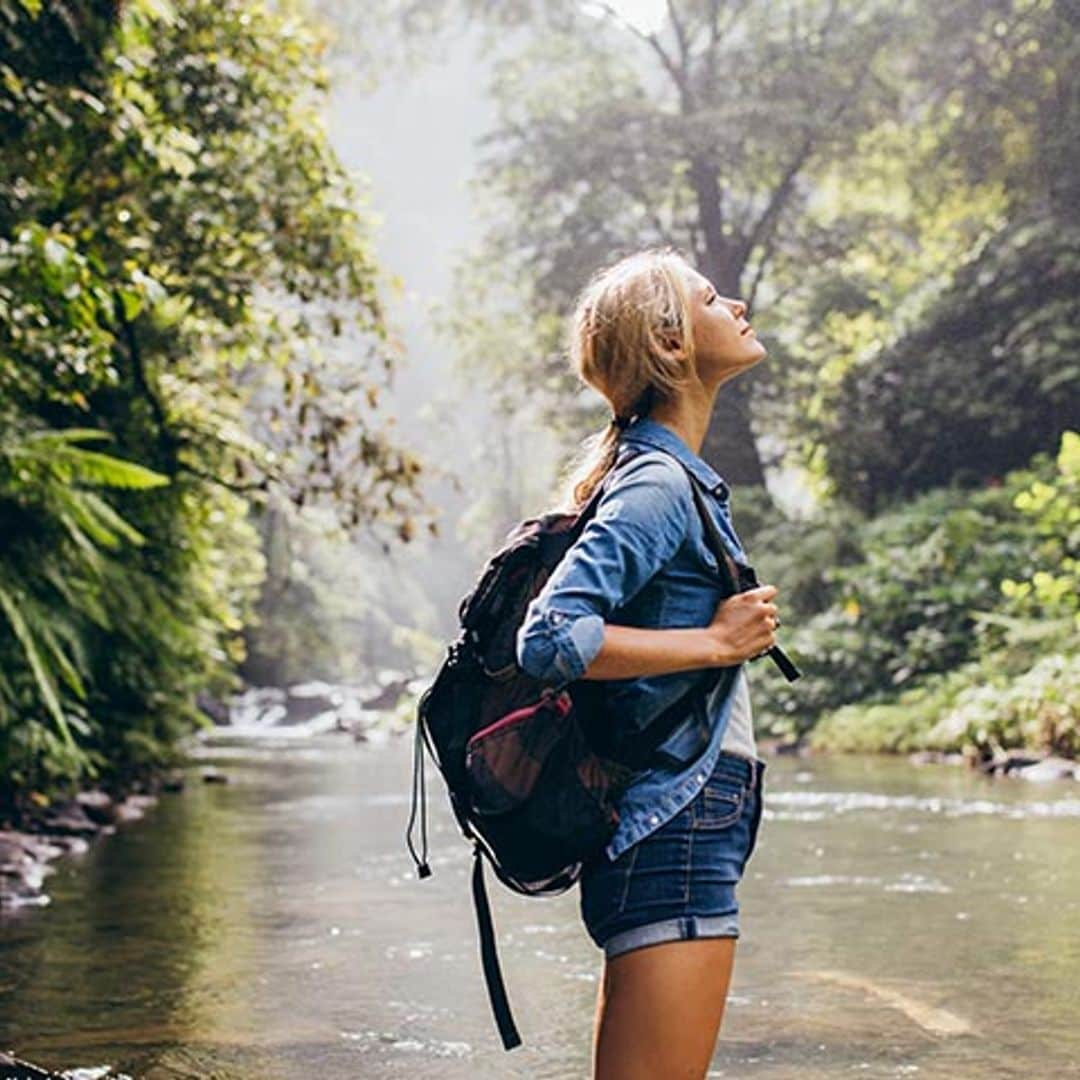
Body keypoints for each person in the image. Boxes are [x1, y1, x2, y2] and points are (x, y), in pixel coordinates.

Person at [515, 247, 780, 1079]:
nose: (736, 304)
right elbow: (550, 636)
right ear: (671, 344)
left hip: (687, 820)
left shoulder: (673, 478)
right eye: (710, 298)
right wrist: (716, 643)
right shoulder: (660, 484)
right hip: (678, 824)